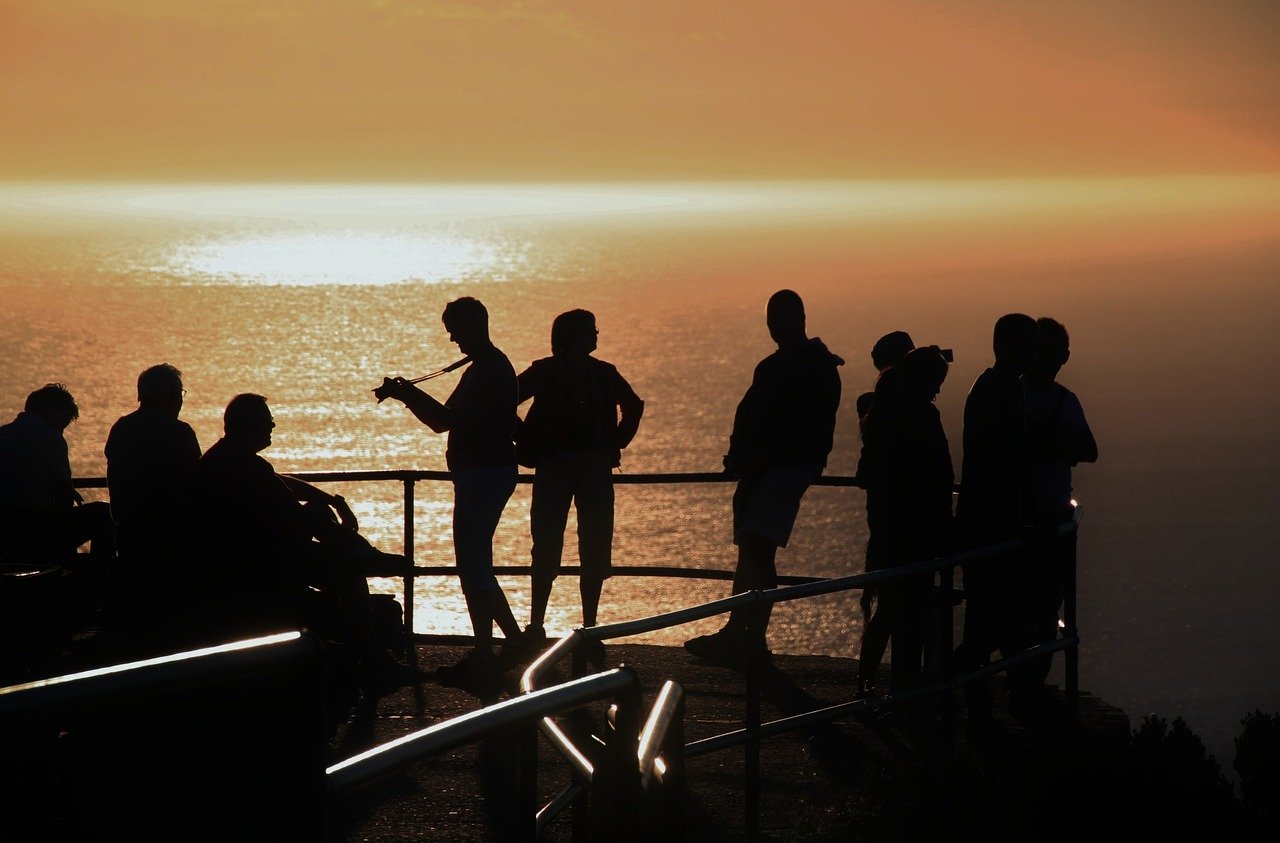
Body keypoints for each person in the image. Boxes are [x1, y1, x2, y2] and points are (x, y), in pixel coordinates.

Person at [192, 393, 407, 677]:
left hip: (244, 554)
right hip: (260, 562)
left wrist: (332, 500)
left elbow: (284, 484)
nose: (273, 425)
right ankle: (372, 656)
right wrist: (334, 522)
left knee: (322, 516)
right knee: (347, 570)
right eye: (267, 421)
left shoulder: (224, 458)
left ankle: (361, 557)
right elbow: (296, 513)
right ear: (249, 424)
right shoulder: (248, 466)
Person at [684, 290, 842, 660]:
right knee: (754, 550)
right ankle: (742, 633)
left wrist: (760, 457)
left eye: (780, 318)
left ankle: (748, 636)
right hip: (769, 467)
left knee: (757, 549)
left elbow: (798, 425)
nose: (775, 326)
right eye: (772, 319)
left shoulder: (806, 367)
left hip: (781, 467)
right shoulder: (792, 365)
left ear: (799, 319)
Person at [378, 297, 523, 677]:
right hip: (486, 473)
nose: (453, 339)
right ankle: (512, 642)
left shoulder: (487, 369)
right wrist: (407, 394)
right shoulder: (490, 366)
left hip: (482, 474)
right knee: (479, 565)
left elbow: (443, 421)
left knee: (472, 566)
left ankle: (483, 653)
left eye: (455, 331)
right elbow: (447, 420)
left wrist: (405, 393)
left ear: (474, 325)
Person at [516, 309, 644, 655]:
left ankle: (539, 626)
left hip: (557, 466)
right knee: (591, 544)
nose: (597, 334)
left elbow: (504, 401)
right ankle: (587, 629)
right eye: (591, 330)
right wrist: (613, 444)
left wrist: (528, 439)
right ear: (574, 336)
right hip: (589, 468)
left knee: (550, 543)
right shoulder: (601, 373)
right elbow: (633, 406)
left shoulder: (548, 372)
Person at [952, 313, 1039, 726]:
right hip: (991, 524)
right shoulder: (997, 391)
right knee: (991, 621)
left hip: (988, 520)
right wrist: (1015, 515)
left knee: (994, 619)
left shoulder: (998, 387)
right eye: (1029, 345)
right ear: (1008, 346)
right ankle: (956, 691)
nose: (1035, 354)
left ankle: (977, 703)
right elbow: (999, 462)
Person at [1010, 317, 1097, 712]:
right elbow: (1082, 447)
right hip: (1027, 518)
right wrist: (1060, 443)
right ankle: (1021, 687)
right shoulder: (1033, 398)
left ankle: (1026, 685)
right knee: (1027, 608)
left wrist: (1042, 442)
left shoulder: (1053, 399)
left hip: (1044, 519)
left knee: (1042, 609)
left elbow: (1090, 449)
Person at [855, 347, 954, 695]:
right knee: (911, 610)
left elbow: (864, 474)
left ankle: (866, 681)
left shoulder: (881, 413)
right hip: (918, 530)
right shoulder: (924, 416)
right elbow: (942, 474)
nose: (938, 390)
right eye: (936, 382)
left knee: (888, 609)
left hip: (887, 527)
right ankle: (907, 688)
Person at [0, 383, 114, 564]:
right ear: (52, 410)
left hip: (5, 529)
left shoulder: (3, 434)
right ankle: (96, 577)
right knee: (104, 513)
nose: (61, 431)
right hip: (34, 527)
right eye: (64, 421)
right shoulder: (50, 438)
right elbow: (63, 497)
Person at [105, 364, 202, 561]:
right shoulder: (180, 433)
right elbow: (197, 482)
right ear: (171, 395)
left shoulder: (122, 429)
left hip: (129, 531)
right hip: (172, 534)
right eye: (180, 393)